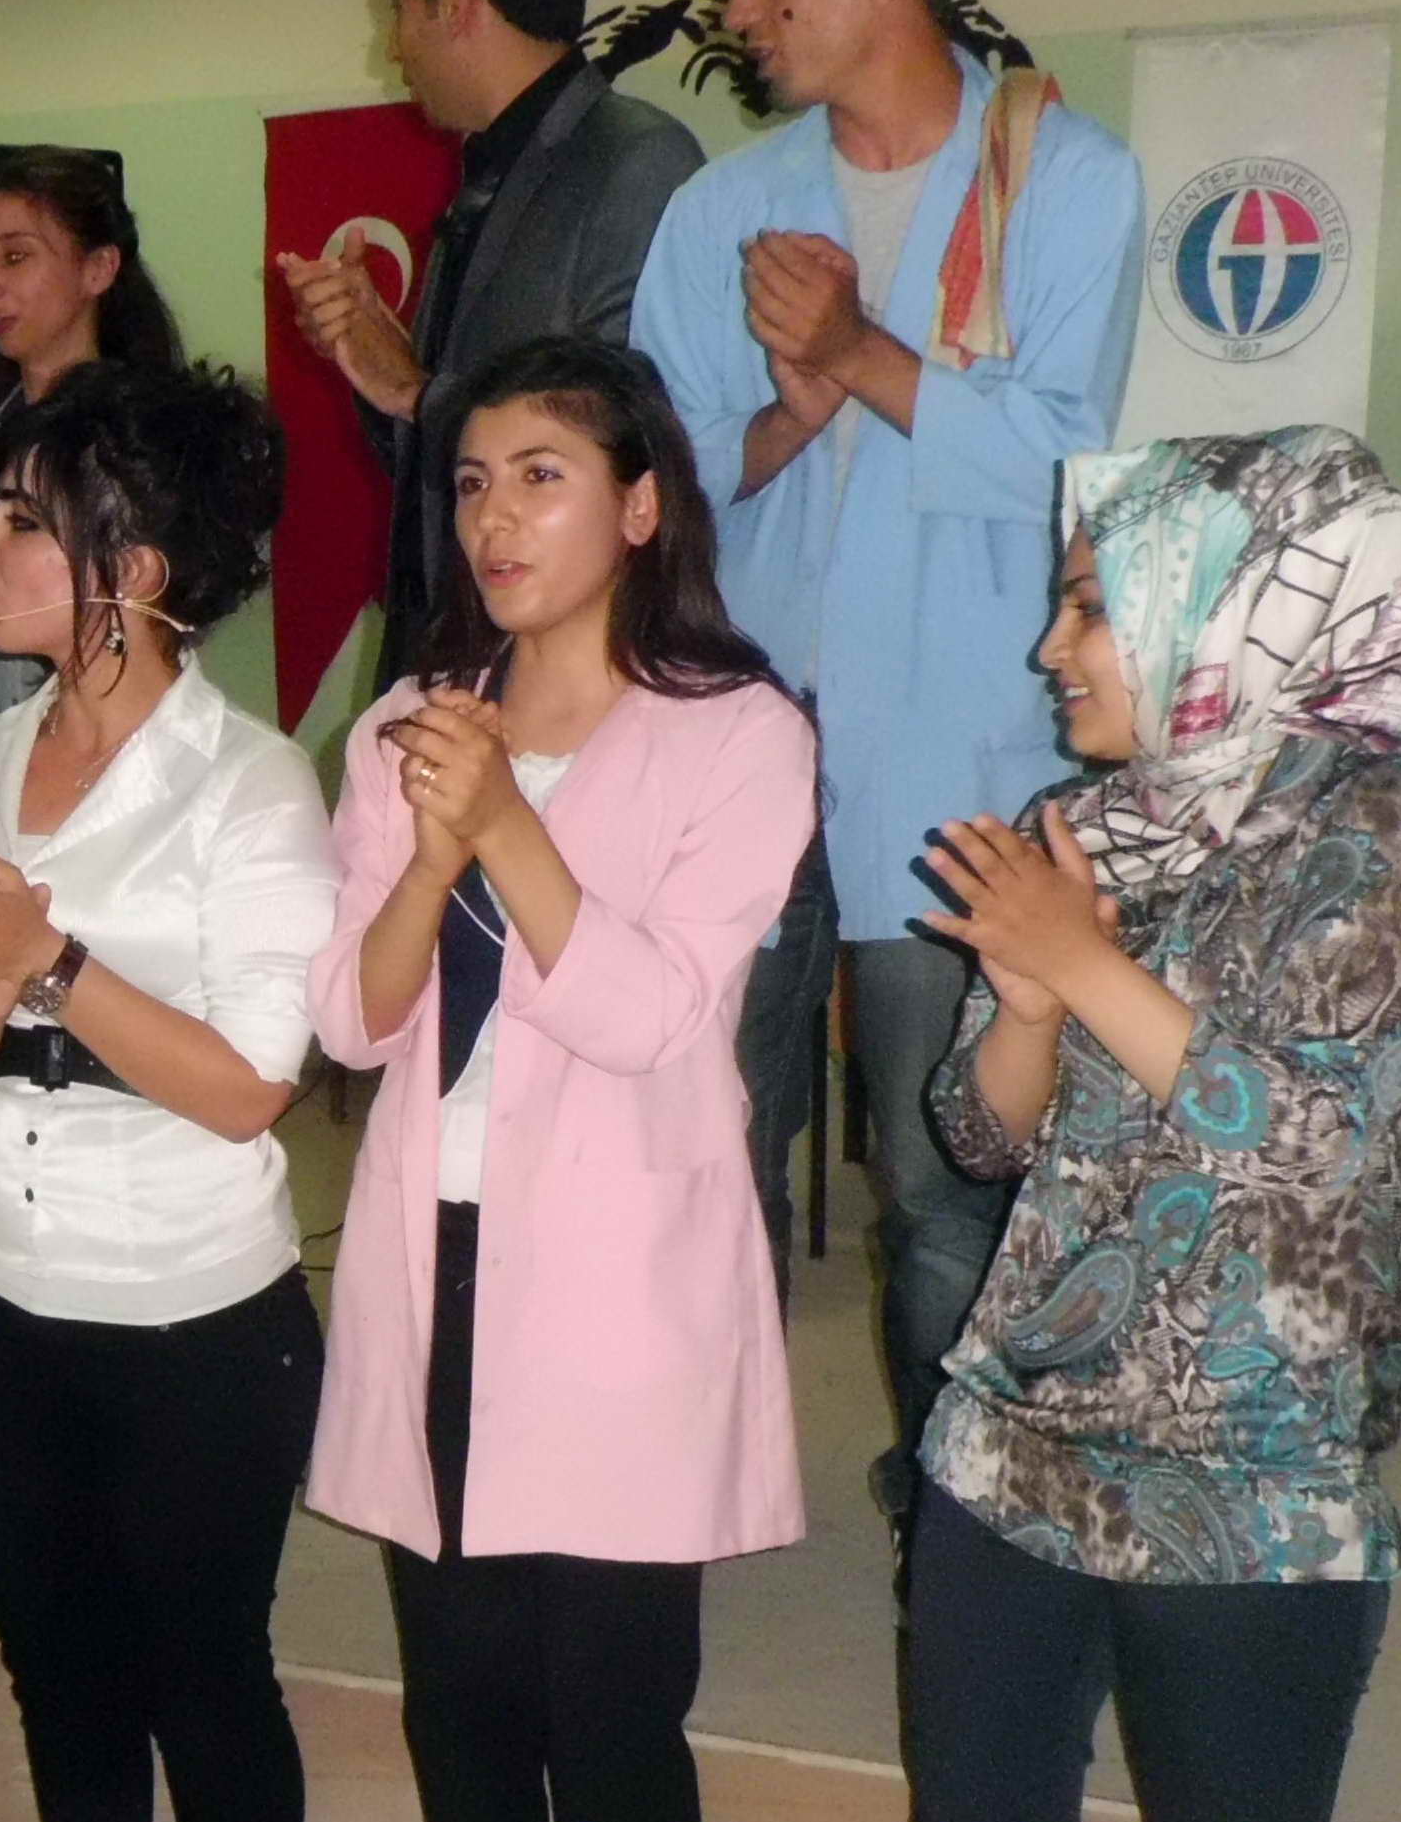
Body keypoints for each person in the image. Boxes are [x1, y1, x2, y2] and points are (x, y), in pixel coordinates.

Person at [631, 0, 1141, 1490]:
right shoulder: (726, 209)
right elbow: (659, 479)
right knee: (699, 1137)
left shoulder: (1061, 181)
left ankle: (955, 1504)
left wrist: (860, 352)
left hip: (960, 761)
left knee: (941, 1176)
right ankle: (667, 1481)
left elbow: (1064, 457)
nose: (740, 8)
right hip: (743, 744)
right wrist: (789, 410)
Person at [896, 429, 1401, 1821]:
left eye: (1088, 607)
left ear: (1226, 601)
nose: (1049, 649)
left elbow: (1308, 1141)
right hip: (1006, 1450)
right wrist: (1027, 1006)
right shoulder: (1082, 822)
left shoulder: (1390, 825)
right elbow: (979, 1140)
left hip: (1250, 1486)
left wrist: (1080, 962)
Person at [306, 336, 812, 1821]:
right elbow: (350, 1023)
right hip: (435, 1252)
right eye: (471, 484)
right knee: (458, 1707)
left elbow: (655, 1016)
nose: (495, 519)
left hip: (621, 1280)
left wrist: (503, 827)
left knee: (609, 1723)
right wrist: (433, 855)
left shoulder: (738, 734)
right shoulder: (407, 727)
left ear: (639, 508)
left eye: (540, 477)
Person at [0, 364, 333, 1820]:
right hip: (0, 1300)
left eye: (21, 521)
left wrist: (46, 962)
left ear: (128, 571)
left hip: (195, 1315)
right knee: (60, 1686)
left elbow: (250, 1088)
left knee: (207, 1683)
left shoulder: (250, 785)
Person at [275, 0, 704, 692]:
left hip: (573, 671)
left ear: (457, 2)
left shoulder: (634, 161)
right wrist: (369, 356)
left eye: (398, 5)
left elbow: (636, 429)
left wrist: (415, 389)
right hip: (454, 647)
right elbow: (435, 457)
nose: (390, 44)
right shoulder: (491, 169)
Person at [0, 147, 188, 739]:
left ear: (98, 269)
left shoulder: (152, 442)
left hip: (102, 748)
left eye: (15, 256)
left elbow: (154, 632)